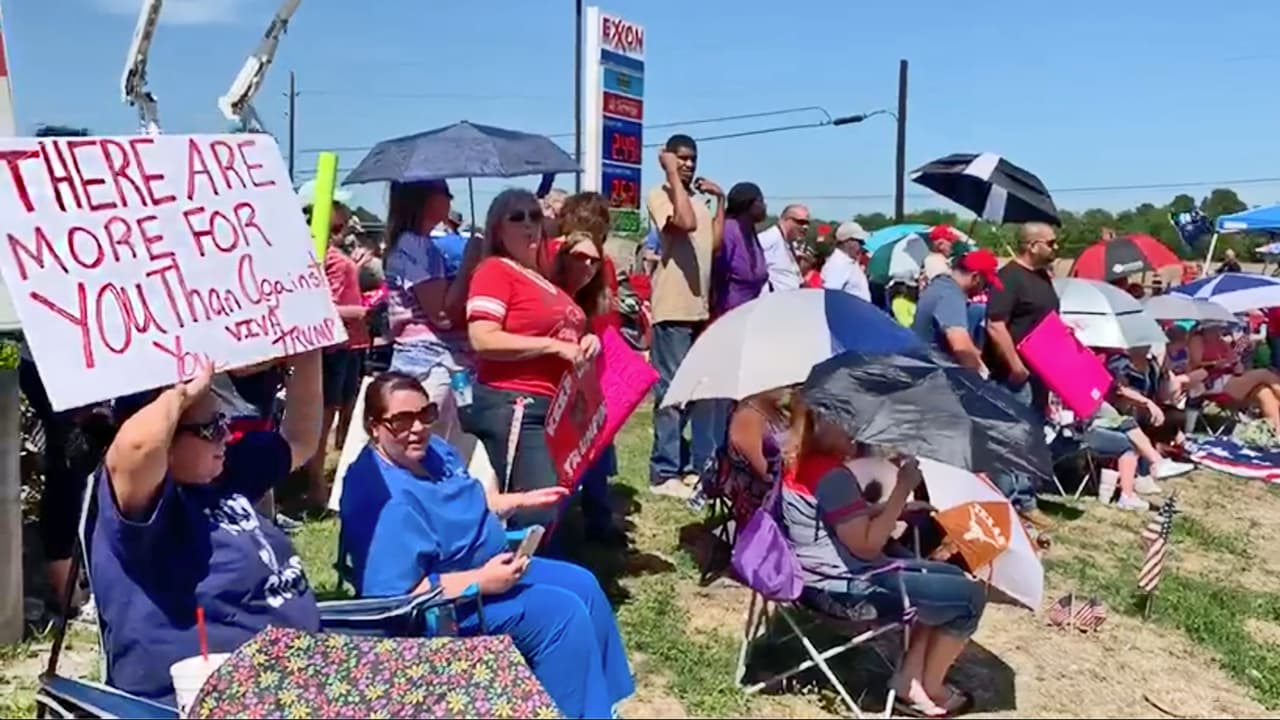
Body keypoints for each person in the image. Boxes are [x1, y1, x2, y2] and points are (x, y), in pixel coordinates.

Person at [338, 372, 633, 718]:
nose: (417, 427)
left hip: (493, 567)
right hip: (445, 606)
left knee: (583, 585)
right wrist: (482, 580)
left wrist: (520, 501)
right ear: (375, 427)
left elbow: (468, 503)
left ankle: (601, 706)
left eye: (425, 414)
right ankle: (566, 711)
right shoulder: (385, 500)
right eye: (401, 420)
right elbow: (397, 597)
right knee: (560, 614)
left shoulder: (430, 452)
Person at [91, 352, 324, 703]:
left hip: (298, 671)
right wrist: (181, 393)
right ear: (167, 445)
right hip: (216, 694)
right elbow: (134, 449)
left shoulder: (224, 473)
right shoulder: (143, 506)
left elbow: (300, 439)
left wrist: (308, 349)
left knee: (432, 679)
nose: (227, 436)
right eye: (212, 427)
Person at [781, 406, 983, 717]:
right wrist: (902, 489)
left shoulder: (801, 462)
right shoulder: (831, 475)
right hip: (847, 590)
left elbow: (839, 518)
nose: (856, 431)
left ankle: (909, 681)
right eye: (847, 423)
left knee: (949, 577)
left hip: (814, 577)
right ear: (822, 422)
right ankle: (931, 687)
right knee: (970, 597)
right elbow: (867, 546)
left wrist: (890, 508)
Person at [462, 188, 594, 530]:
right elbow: (482, 337)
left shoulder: (540, 279)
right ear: (496, 228)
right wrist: (553, 347)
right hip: (516, 401)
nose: (528, 224)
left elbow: (563, 328)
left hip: (554, 406)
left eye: (535, 216)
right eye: (516, 217)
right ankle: (520, 576)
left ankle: (543, 573)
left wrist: (585, 339)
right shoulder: (494, 270)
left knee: (552, 501)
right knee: (536, 507)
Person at [543, 192, 627, 545]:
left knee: (593, 433)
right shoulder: (555, 255)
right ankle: (572, 516)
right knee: (580, 434)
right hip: (571, 353)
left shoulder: (596, 261)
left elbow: (603, 306)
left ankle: (590, 514)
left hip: (594, 350)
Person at [646, 134, 726, 499]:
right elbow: (684, 222)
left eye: (692, 159)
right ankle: (664, 472)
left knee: (695, 393)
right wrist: (672, 176)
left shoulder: (697, 201)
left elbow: (711, 243)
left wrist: (720, 201)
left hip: (697, 310)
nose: (689, 164)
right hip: (672, 309)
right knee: (671, 393)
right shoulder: (660, 195)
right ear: (667, 159)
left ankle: (689, 466)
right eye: (681, 158)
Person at [306, 203, 371, 507]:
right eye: (339, 226)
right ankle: (315, 483)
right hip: (333, 346)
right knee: (325, 418)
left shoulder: (334, 255)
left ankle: (324, 476)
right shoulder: (323, 256)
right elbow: (323, 304)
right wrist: (359, 311)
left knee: (343, 410)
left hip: (349, 344)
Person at [984, 222, 1061, 413]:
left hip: (1040, 372)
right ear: (1033, 246)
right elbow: (995, 325)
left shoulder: (1042, 275)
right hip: (1014, 379)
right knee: (1013, 437)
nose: (1056, 247)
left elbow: (1043, 317)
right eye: (1051, 243)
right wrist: (1016, 367)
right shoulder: (1008, 278)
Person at [912, 249, 1002, 374]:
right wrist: (981, 376)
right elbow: (961, 347)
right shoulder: (950, 296)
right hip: (932, 373)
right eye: (985, 284)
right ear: (976, 277)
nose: (983, 290)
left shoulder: (940, 285)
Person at [712, 182, 771, 318]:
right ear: (749, 204)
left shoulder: (750, 231)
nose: (764, 206)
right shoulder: (729, 231)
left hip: (748, 311)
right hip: (728, 314)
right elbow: (717, 273)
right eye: (760, 201)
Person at [756, 203, 810, 293]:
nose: (805, 227)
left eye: (807, 223)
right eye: (801, 222)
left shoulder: (789, 243)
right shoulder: (770, 238)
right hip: (772, 301)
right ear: (786, 220)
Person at [821, 221, 872, 301]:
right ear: (847, 241)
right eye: (859, 241)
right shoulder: (838, 263)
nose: (862, 244)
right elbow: (831, 295)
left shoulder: (848, 261)